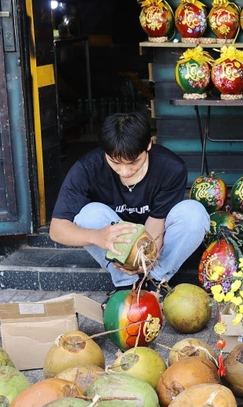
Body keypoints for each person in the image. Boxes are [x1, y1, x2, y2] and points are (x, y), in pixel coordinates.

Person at [49, 112, 209, 287]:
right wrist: (97, 237)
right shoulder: (86, 169)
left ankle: (155, 282)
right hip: (115, 242)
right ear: (104, 151)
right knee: (89, 214)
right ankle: (125, 285)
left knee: (194, 213)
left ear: (149, 145)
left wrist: (145, 261)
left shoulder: (171, 167)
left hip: (154, 240)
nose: (124, 171)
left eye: (133, 162)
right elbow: (57, 230)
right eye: (115, 162)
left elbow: (157, 220)